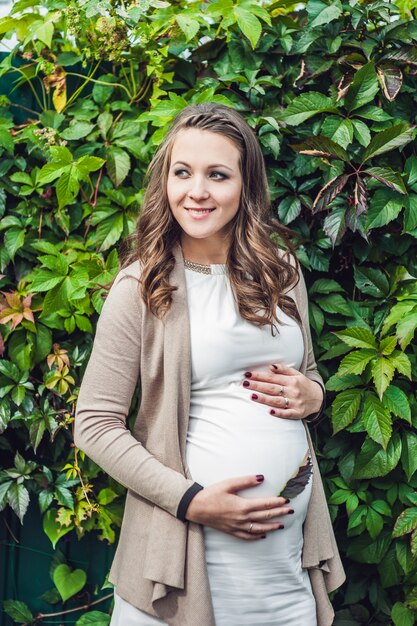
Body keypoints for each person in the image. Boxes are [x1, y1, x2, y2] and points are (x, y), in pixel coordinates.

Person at [74, 102, 345, 626]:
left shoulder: (281, 271)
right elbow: (94, 424)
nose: (196, 191)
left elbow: (307, 374)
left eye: (217, 175)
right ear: (165, 180)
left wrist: (315, 395)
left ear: (246, 186)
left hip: (284, 571)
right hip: (187, 562)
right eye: (183, 172)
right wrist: (191, 501)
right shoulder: (141, 286)